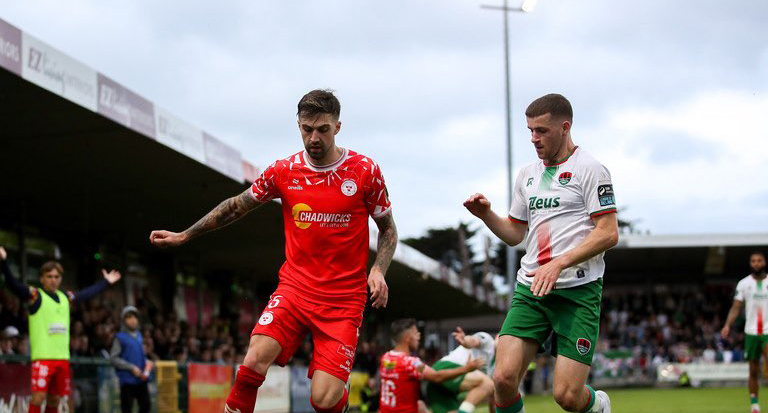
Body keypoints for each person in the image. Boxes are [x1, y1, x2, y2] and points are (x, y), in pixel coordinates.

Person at [149, 89, 398, 413]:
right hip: (295, 288)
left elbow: (388, 229)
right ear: (298, 125)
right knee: (253, 359)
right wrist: (185, 235)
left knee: (323, 399)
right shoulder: (284, 171)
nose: (314, 138)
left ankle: (339, 391)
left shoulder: (364, 171)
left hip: (342, 299)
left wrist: (378, 269)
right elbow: (236, 206)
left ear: (337, 127)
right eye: (307, 129)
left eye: (322, 129)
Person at [464, 93, 618, 413]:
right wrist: (486, 216)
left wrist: (558, 263)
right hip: (531, 287)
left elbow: (608, 232)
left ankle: (599, 405)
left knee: (567, 397)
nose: (534, 138)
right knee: (503, 379)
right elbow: (515, 233)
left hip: (577, 291)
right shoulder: (527, 175)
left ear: (565, 127)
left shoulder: (590, 169)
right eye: (530, 130)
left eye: (542, 131)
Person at [0, 246, 121, 413]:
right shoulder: (35, 296)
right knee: (38, 398)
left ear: (60, 279)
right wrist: (4, 261)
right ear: (41, 278)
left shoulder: (66, 298)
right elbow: (13, 285)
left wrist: (105, 282)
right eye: (49, 276)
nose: (53, 280)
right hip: (43, 358)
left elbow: (85, 294)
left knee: (55, 399)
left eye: (56, 276)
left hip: (62, 359)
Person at [379, 319, 485, 413]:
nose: (419, 337)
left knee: (420, 405)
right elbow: (436, 377)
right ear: (407, 338)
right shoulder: (411, 363)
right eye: (416, 334)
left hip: (386, 410)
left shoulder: (386, 358)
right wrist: (466, 368)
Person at [722, 251, 768, 413]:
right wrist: (727, 325)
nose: (756, 263)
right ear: (750, 263)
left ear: (764, 262)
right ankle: (754, 405)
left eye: (759, 260)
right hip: (751, 332)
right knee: (753, 370)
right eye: (753, 261)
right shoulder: (743, 284)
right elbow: (736, 307)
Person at [425, 327, 495, 413]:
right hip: (446, 367)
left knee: (490, 385)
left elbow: (495, 398)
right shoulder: (489, 342)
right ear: (498, 336)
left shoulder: (497, 368)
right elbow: (473, 340)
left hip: (447, 389)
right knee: (488, 383)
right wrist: (465, 342)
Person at [110, 305, 154, 413]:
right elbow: (113, 358)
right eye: (129, 317)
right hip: (127, 381)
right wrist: (131, 367)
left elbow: (140, 355)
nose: (133, 320)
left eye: (134, 317)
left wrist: (146, 364)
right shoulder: (119, 337)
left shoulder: (139, 335)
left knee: (146, 406)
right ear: (123, 320)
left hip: (141, 379)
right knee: (127, 409)